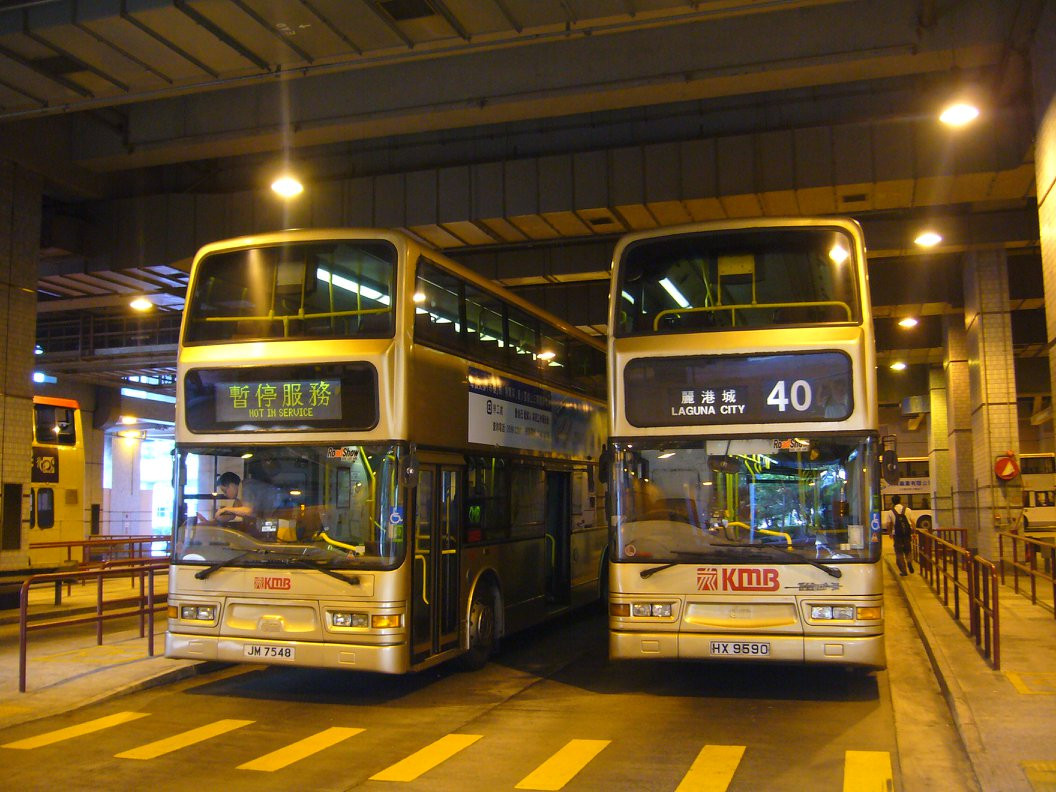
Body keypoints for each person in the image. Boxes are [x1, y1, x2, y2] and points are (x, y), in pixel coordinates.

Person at [883, 494, 915, 576]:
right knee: (908, 549)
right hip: (907, 534)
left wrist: (890, 533)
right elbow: (913, 522)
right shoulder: (907, 510)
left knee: (899, 552)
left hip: (897, 535)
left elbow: (888, 524)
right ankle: (909, 561)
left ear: (893, 502)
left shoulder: (890, 512)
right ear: (900, 501)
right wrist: (913, 532)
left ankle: (903, 571)